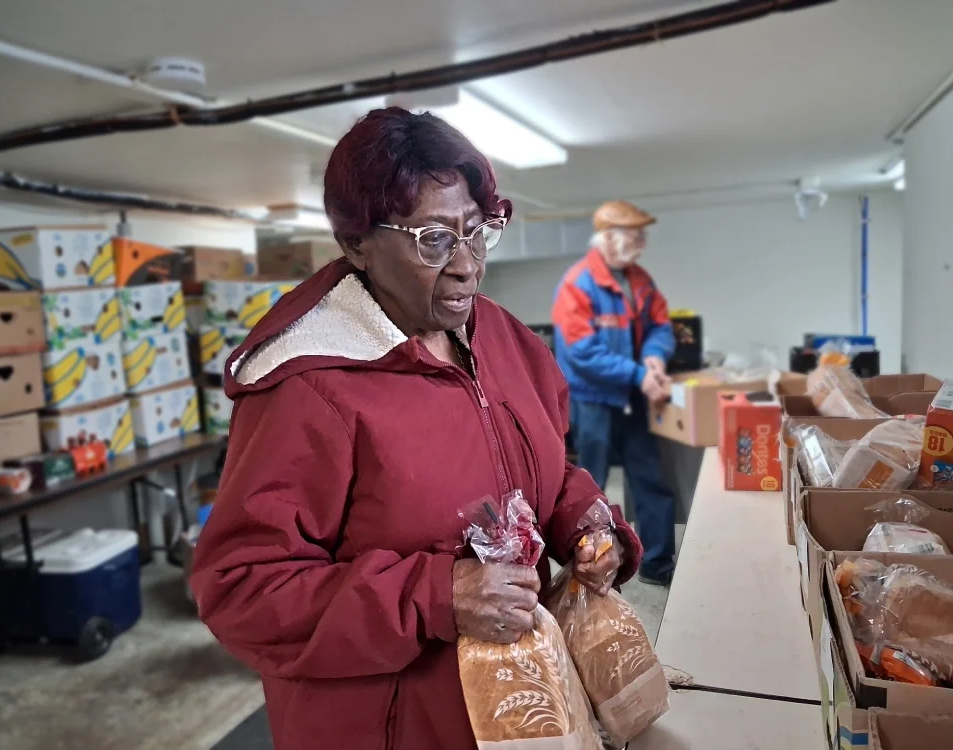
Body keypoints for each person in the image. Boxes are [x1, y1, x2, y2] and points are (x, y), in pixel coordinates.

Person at [190, 108, 642, 750]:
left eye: (477, 231)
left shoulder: (509, 341)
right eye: (433, 239)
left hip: (519, 707)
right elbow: (242, 590)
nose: (467, 265)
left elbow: (547, 467)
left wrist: (588, 525)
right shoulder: (309, 389)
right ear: (356, 245)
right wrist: (435, 594)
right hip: (391, 728)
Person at [551, 200, 678, 587]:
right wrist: (639, 373)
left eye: (642, 236)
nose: (642, 243)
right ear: (608, 237)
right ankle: (592, 571)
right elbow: (582, 352)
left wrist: (655, 359)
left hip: (633, 398)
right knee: (590, 489)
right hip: (593, 402)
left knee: (650, 480)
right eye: (635, 236)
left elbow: (660, 326)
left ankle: (657, 563)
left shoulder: (639, 279)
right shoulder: (578, 283)